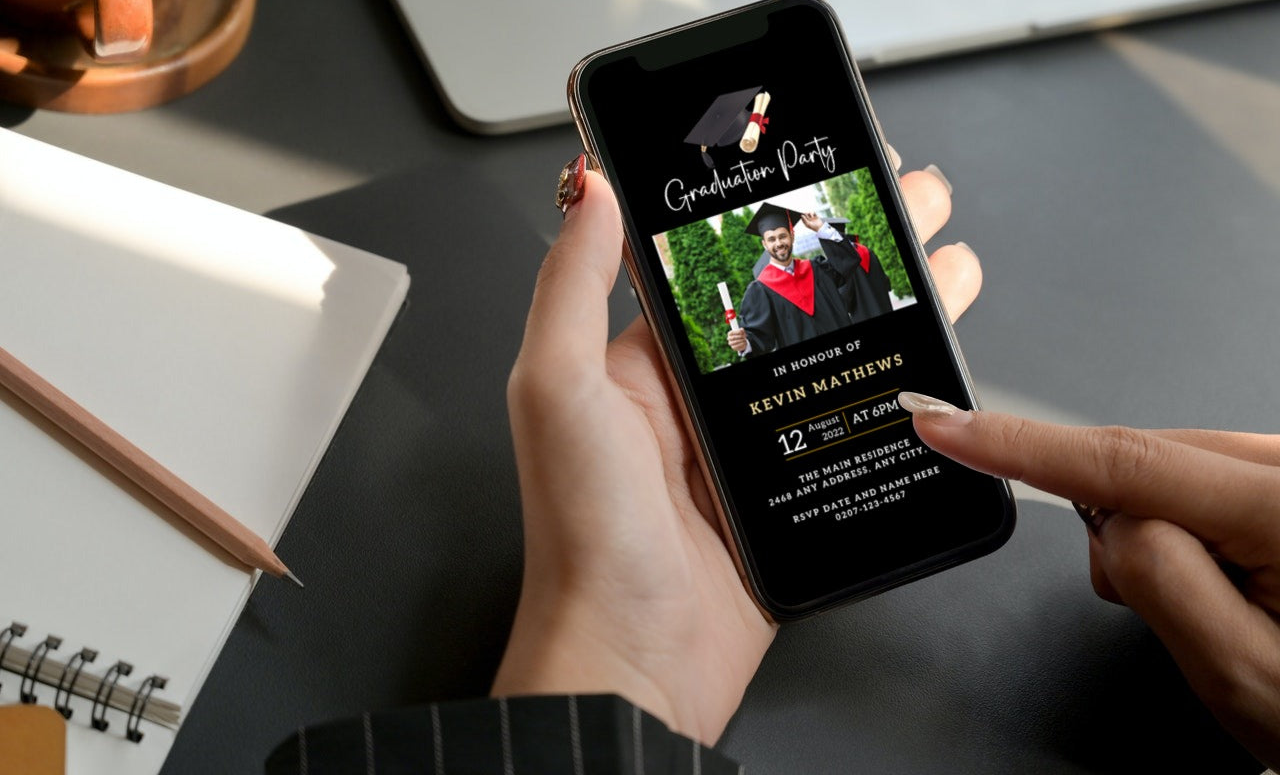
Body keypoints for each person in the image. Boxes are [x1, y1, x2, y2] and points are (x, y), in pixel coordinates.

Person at [267, 155, 1280, 773]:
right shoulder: (744, 285)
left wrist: (616, 677)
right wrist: (624, 672)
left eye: (790, 227)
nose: (782, 236)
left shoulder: (820, 266)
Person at [727, 203, 866, 358]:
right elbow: (758, 336)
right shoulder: (760, 290)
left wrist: (820, 227)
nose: (778, 243)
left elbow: (847, 261)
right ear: (764, 245)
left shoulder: (817, 269)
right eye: (771, 239)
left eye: (782, 236)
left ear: (792, 236)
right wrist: (744, 343)